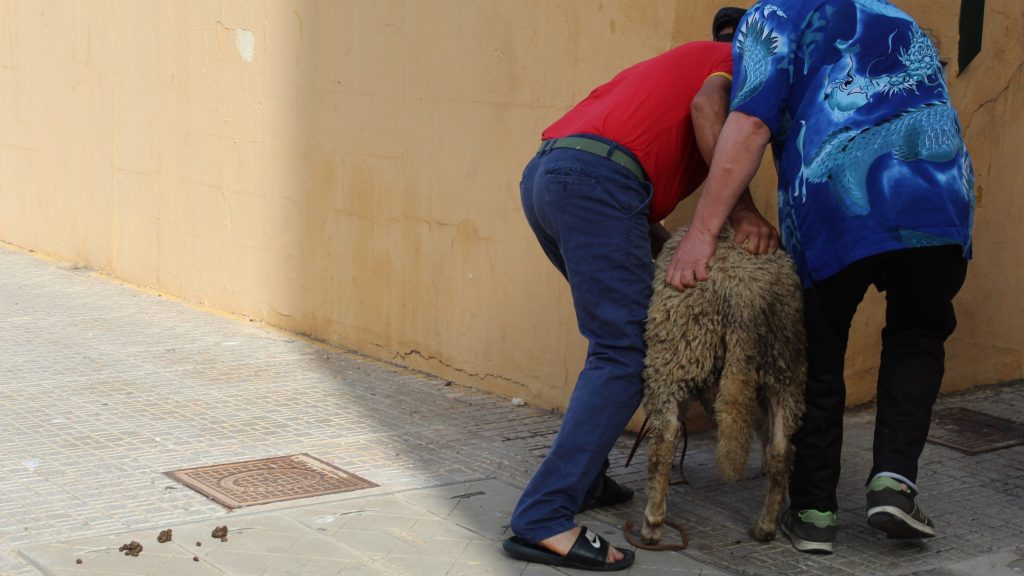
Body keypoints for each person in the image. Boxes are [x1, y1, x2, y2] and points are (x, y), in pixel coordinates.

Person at [668, 0, 974, 555]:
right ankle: (894, 485)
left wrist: (704, 231)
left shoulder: (773, 17)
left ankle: (813, 512)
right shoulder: (897, 17)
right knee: (919, 337)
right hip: (938, 198)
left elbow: (752, 122)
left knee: (817, 352)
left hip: (838, 197)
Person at [502, 8, 778, 571]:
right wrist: (742, 214)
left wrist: (673, 256)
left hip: (550, 178)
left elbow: (619, 184)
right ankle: (543, 520)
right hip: (594, 184)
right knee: (626, 350)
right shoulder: (732, 63)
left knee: (615, 336)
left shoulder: (671, 67)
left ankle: (586, 479)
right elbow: (708, 109)